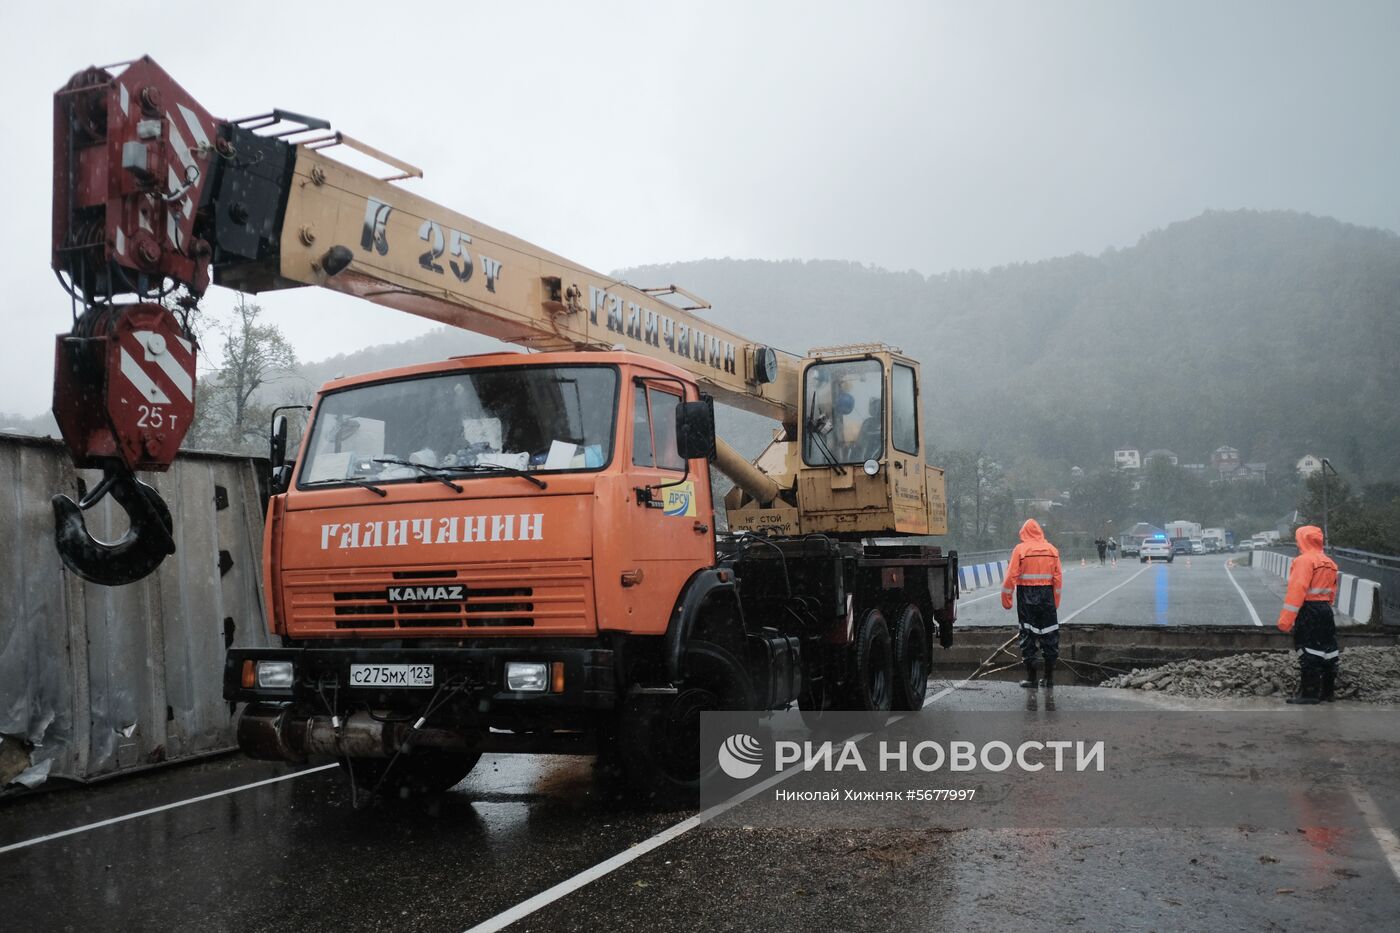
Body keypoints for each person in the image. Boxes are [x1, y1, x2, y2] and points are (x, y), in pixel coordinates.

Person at [1001, 519, 1064, 710]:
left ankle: (1032, 679)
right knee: (1050, 635)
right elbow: (1058, 578)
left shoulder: (1020, 550)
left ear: (1024, 532)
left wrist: (1007, 599)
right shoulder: (1052, 550)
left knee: (1028, 636)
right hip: (1046, 597)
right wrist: (1055, 601)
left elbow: (1011, 575)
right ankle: (1049, 678)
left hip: (1026, 596)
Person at [1277, 525, 1340, 704]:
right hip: (1325, 610)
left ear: (1303, 540)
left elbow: (1297, 590)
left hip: (1309, 610)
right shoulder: (1329, 562)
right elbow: (1332, 591)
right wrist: (1325, 607)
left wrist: (1285, 621)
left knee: (1308, 650)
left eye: (1298, 539)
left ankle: (1309, 694)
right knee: (1328, 650)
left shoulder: (1304, 561)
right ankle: (1328, 692)